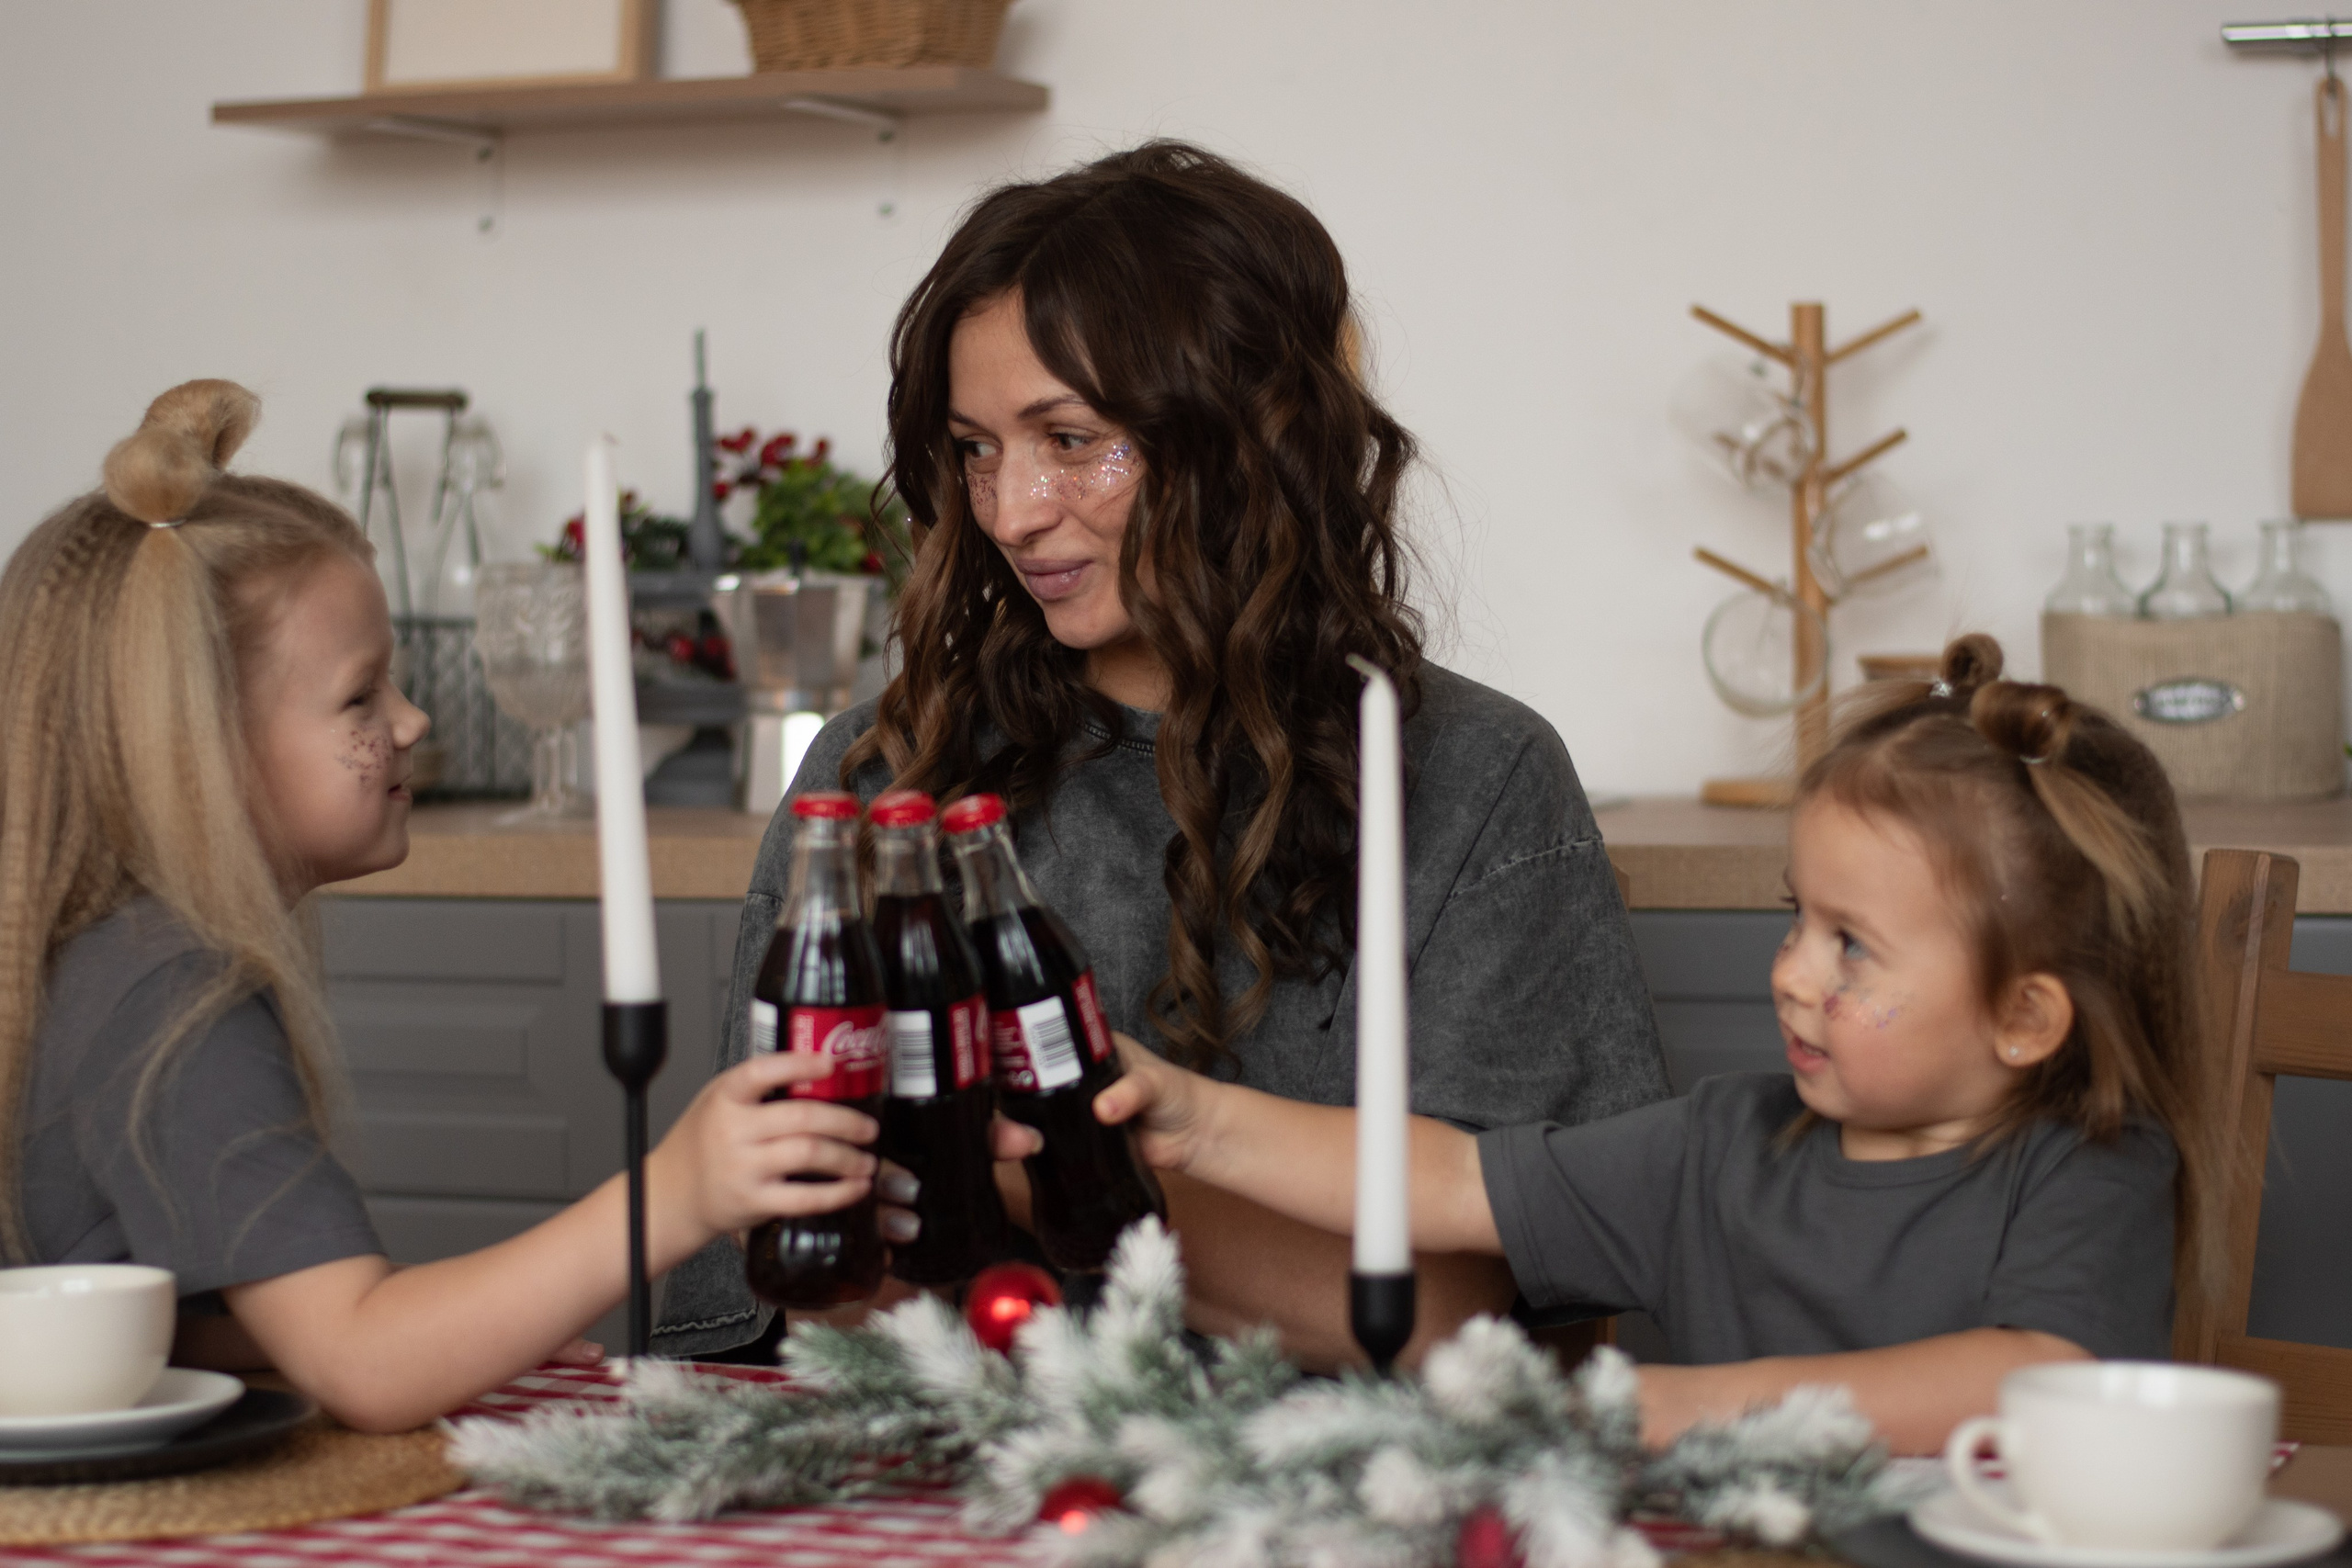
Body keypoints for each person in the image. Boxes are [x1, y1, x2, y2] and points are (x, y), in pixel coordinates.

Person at [655, 141, 1669, 1369]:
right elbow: (761, 1317)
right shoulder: (881, 778)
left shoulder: (1470, 779)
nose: (1014, 508)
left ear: (1245, 440)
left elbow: (1502, 1336)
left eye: (1071, 438)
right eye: (976, 448)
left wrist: (1045, 1168)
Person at [0, 381, 907, 1433]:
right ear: (194, 747)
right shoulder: (175, 989)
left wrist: (490, 1318)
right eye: (362, 694)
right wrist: (678, 1191)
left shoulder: (106, 958)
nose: (415, 719)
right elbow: (363, 1362)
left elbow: (174, 1317)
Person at [1070, 635, 2224, 1452]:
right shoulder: (1724, 1142)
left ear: (2026, 1017)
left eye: (1852, 947)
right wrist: (1198, 1118)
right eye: (1796, 918)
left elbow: (2038, 1380)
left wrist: (1679, 1405)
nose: (1791, 971)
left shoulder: (2092, 1166)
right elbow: (1449, 1180)